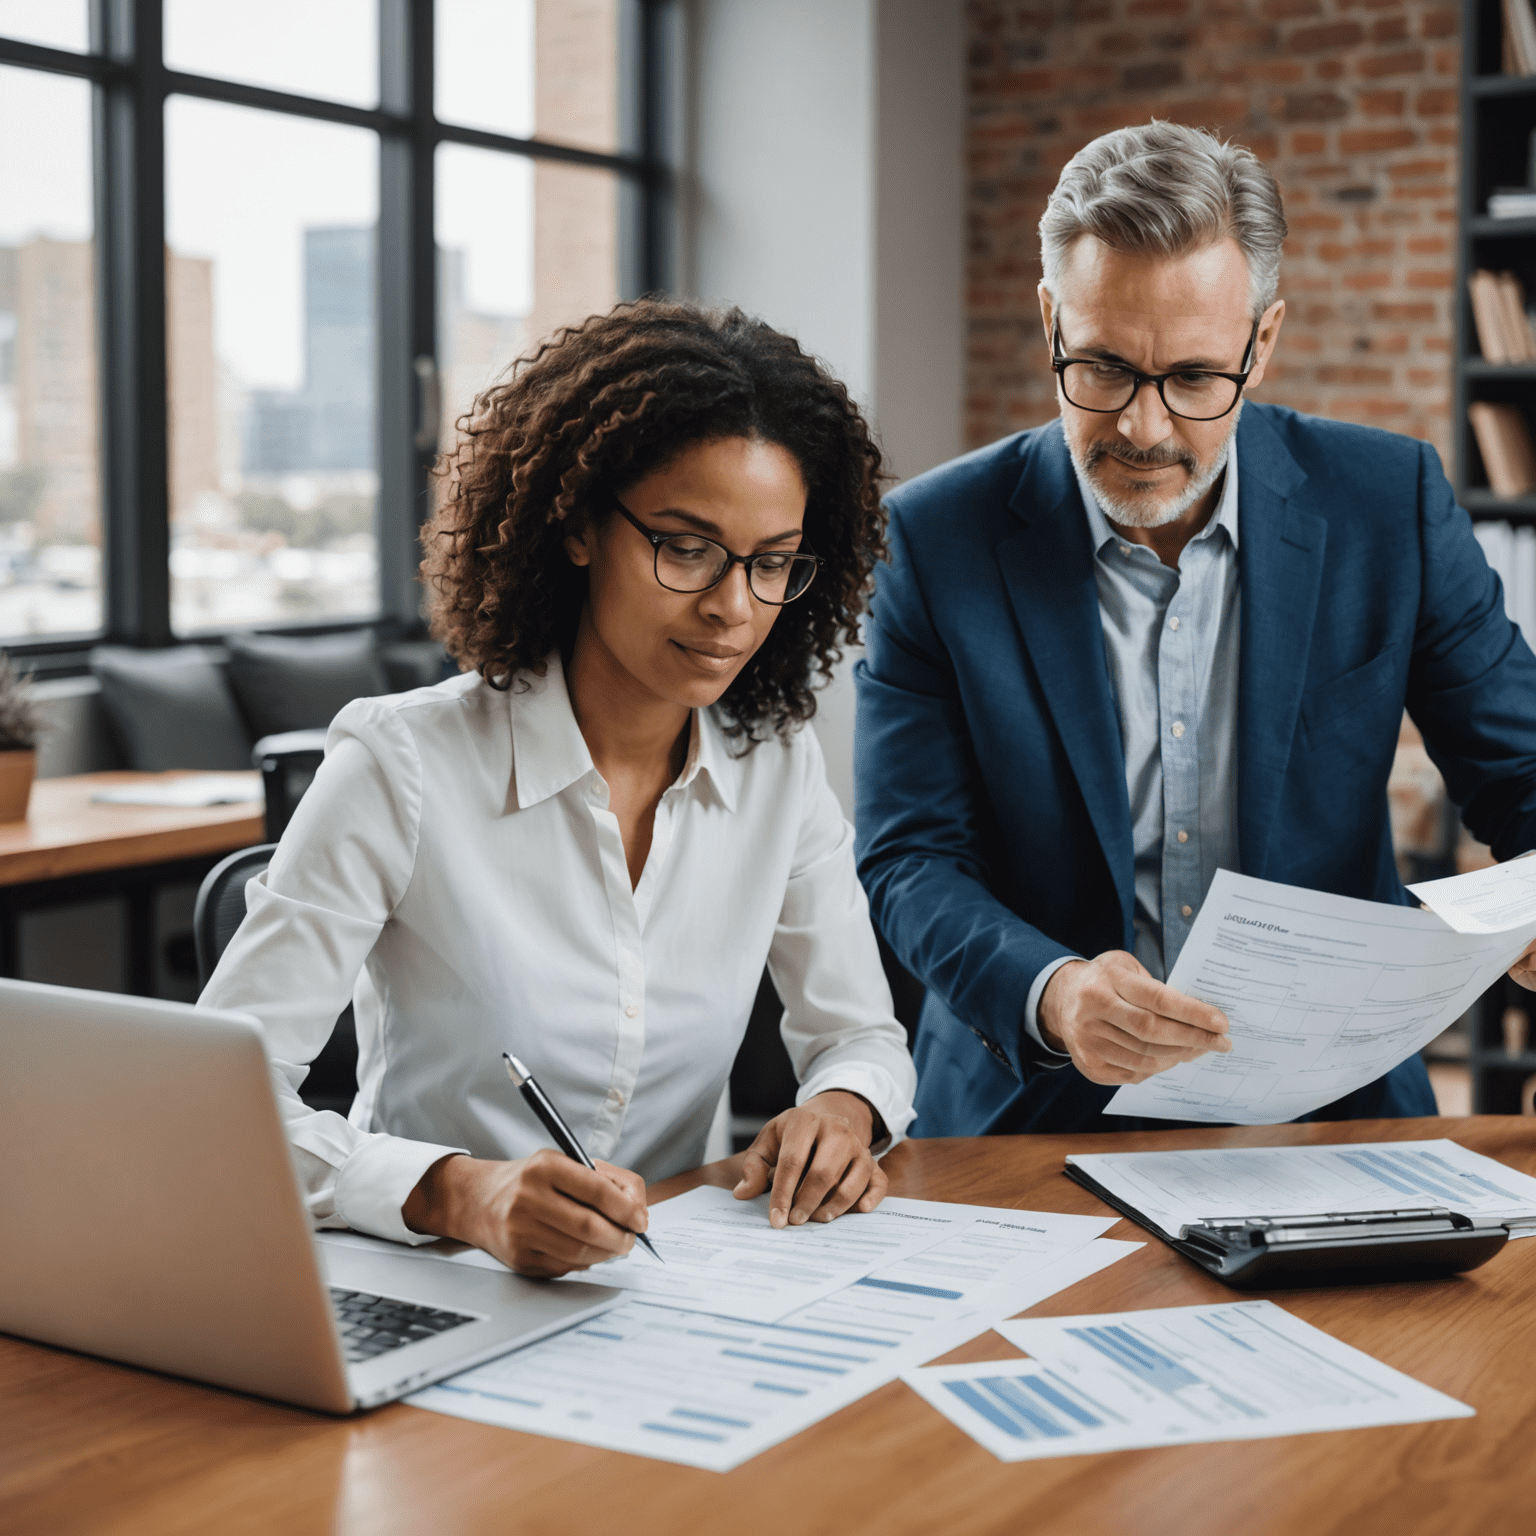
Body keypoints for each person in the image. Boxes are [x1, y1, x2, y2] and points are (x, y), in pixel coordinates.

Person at [201, 299, 916, 1277]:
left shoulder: (776, 768)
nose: (731, 607)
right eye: (686, 547)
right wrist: (462, 1193)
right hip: (436, 1276)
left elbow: (859, 1034)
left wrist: (844, 1107)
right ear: (578, 524)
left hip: (673, 1288)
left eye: (772, 564)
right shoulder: (400, 763)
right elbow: (218, 1104)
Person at [854, 120, 1536, 1137]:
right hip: (1032, 1115)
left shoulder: (1385, 505)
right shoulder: (932, 540)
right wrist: (1053, 992)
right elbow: (910, 858)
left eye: (1192, 379)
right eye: (1104, 368)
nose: (1143, 428)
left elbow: (1519, 769)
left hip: (1331, 1109)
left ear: (1261, 344)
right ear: (1050, 318)